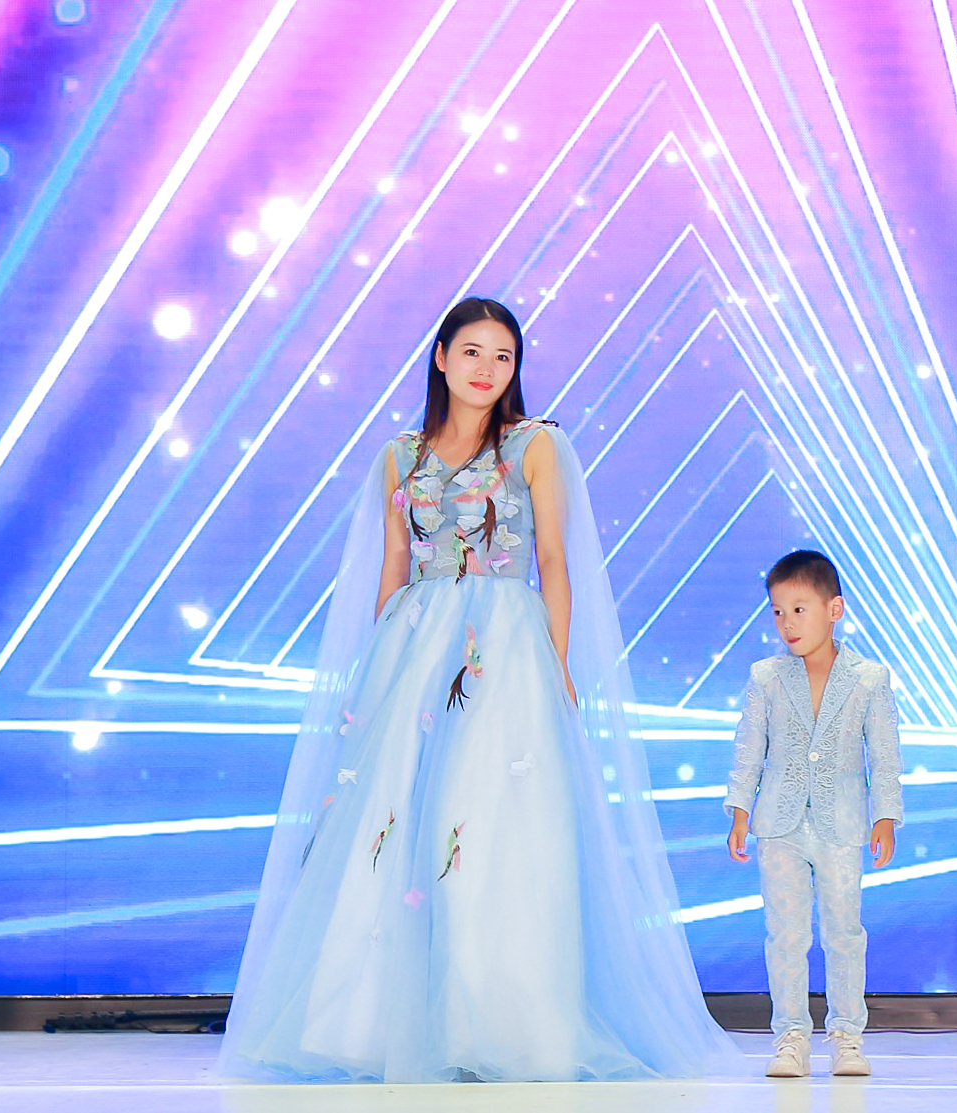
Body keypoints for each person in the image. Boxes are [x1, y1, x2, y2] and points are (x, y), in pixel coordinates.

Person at [218, 296, 739, 1083]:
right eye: (471, 351)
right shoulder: (398, 455)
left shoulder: (535, 444)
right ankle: (372, 1028)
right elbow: (395, 564)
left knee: (490, 823)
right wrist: (375, 667)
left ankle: (497, 1027)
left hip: (503, 647)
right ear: (440, 357)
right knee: (392, 824)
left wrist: (557, 662)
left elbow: (553, 559)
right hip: (413, 643)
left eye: (503, 356)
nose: (487, 368)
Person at [724, 550, 903, 1078]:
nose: (787, 623)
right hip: (778, 823)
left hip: (842, 824)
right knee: (785, 934)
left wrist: (885, 815)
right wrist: (739, 808)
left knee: (844, 932)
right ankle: (790, 1037)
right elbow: (749, 747)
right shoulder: (766, 677)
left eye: (799, 610)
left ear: (834, 609)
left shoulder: (869, 678)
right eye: (778, 612)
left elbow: (884, 753)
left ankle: (847, 1036)